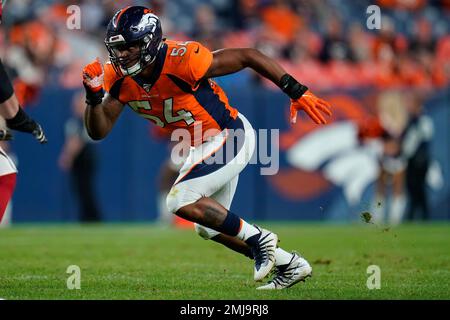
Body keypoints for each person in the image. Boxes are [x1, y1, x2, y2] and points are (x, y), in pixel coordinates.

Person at [82, 6, 332, 290]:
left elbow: (248, 56)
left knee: (179, 199)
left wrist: (295, 90)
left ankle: (260, 239)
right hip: (199, 144)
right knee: (207, 226)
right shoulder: (117, 77)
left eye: (129, 46)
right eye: (117, 48)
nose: (122, 54)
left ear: (149, 41)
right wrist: (92, 97)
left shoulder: (183, 59)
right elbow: (97, 131)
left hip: (229, 134)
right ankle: (291, 264)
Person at [0, 1, 47, 223]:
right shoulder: (13, 56)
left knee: (6, 162)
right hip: (6, 108)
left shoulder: (19, 60)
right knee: (5, 166)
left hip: (7, 106)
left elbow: (32, 82)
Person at [59, 91, 101, 223]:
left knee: (84, 188)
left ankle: (91, 217)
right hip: (84, 156)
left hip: (85, 156)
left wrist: (68, 157)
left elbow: (76, 142)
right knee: (81, 189)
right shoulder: (77, 120)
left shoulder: (82, 119)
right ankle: (88, 217)